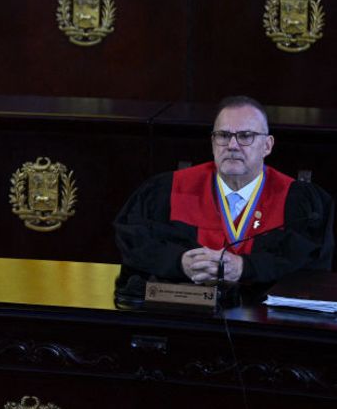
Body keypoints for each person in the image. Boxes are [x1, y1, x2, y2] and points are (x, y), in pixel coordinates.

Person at [115, 95, 333, 284]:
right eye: (223, 135)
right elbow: (133, 241)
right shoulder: (168, 189)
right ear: (212, 143)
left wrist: (245, 267)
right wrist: (179, 262)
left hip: (265, 319)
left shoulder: (300, 202)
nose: (232, 145)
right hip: (187, 312)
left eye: (246, 136)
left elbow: (310, 260)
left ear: (267, 145)